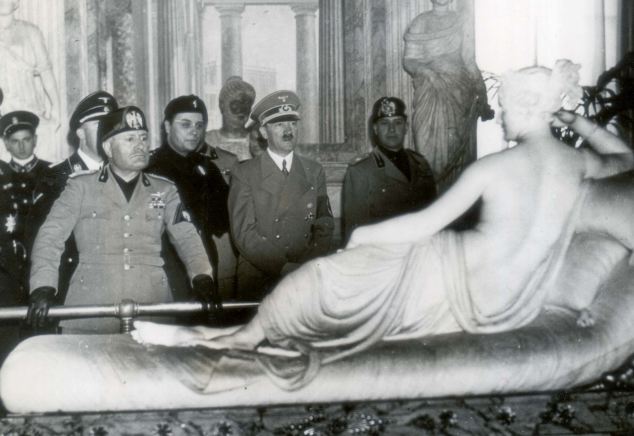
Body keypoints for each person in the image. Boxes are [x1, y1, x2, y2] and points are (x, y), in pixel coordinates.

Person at [133, 60, 634, 388]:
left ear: (526, 105)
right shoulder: (580, 166)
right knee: (312, 296)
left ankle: (222, 343)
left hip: (443, 275)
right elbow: (627, 160)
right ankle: (221, 339)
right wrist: (573, 120)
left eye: (504, 107)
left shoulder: (496, 167)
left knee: (319, 284)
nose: (499, 117)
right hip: (491, 297)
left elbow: (424, 224)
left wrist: (363, 237)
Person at [27, 106, 219, 334]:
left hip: (152, 307)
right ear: (108, 147)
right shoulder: (80, 187)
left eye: (143, 138)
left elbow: (187, 237)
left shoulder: (164, 189)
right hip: (91, 309)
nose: (140, 146)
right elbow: (50, 237)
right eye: (130, 139)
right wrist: (43, 286)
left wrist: (202, 276)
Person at [228, 90, 334, 299]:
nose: (288, 130)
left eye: (292, 124)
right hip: (260, 277)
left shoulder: (313, 171)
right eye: (279, 124)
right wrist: (284, 267)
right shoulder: (244, 173)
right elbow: (244, 234)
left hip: (305, 274)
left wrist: (309, 264)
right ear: (264, 132)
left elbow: (324, 222)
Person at [27, 91, 118, 307]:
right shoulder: (54, 177)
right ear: (80, 132)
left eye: (112, 124)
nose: (107, 131)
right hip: (70, 288)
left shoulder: (126, 174)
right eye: (99, 124)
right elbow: (41, 240)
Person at [147, 95, 236, 300]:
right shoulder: (151, 169)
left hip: (205, 270)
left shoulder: (207, 168)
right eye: (185, 125)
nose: (194, 131)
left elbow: (223, 221)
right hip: (166, 270)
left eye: (199, 125)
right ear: (167, 126)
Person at [403, 0, 492, 192]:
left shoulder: (462, 21)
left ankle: (458, 201)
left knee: (457, 150)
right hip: (429, 91)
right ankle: (431, 198)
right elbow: (409, 60)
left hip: (459, 93)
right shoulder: (420, 22)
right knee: (425, 147)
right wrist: (428, 73)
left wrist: (482, 93)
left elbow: (469, 61)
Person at [342, 96, 436, 243]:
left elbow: (433, 217)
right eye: (384, 123)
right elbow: (355, 233)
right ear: (375, 129)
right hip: (383, 253)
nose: (392, 129)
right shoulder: (361, 171)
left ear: (406, 127)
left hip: (421, 250)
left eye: (397, 122)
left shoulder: (421, 164)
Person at [0, 110, 50, 359]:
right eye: (15, 141)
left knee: (41, 340)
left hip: (41, 262)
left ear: (35, 140)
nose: (21, 146)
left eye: (26, 139)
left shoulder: (52, 172)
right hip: (7, 267)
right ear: (6, 144)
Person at [0, 0, 61, 144]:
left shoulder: (31, 32)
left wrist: (56, 107)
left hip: (28, 104)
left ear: (16, 3)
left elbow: (45, 70)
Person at [205, 76, 256, 164]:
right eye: (237, 104)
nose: (242, 111)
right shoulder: (207, 139)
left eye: (247, 105)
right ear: (222, 106)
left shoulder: (257, 141)